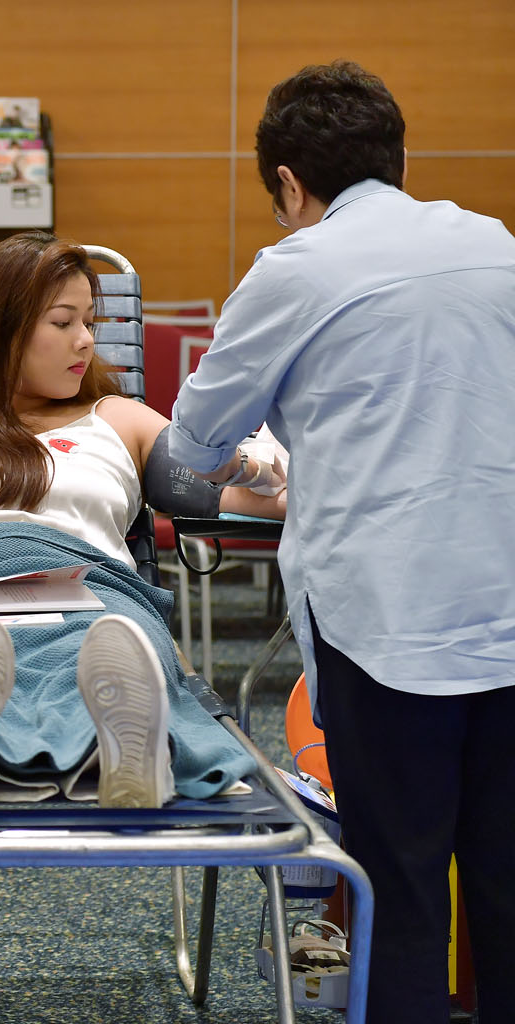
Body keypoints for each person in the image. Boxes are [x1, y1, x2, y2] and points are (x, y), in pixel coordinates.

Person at [169, 61, 515, 1023]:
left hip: (388, 622)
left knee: (398, 891)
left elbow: (195, 446)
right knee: (502, 884)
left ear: (287, 182)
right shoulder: (494, 242)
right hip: (507, 605)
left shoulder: (296, 267)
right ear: (400, 159)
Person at [0, 232, 283, 824]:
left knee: (112, 651)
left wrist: (286, 481)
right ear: (1, 329)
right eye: (63, 322)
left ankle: (116, 745)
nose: (86, 340)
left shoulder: (120, 419)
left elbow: (234, 488)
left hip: (89, 598)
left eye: (89, 320)